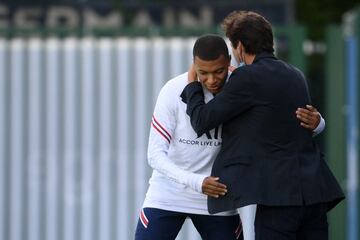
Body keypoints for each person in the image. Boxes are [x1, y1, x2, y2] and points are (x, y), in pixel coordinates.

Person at [135, 35, 325, 240]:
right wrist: (197, 182)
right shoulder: (172, 90)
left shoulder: (244, 84)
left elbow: (279, 127)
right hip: (168, 195)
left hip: (218, 196)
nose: (211, 80)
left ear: (228, 61)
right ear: (194, 65)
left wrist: (318, 124)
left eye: (218, 71)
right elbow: (154, 155)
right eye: (203, 73)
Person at [180, 12, 345, 240]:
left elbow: (202, 121)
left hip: (278, 199)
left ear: (239, 47)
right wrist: (319, 123)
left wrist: (192, 86)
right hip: (314, 193)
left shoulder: (246, 77)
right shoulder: (295, 74)